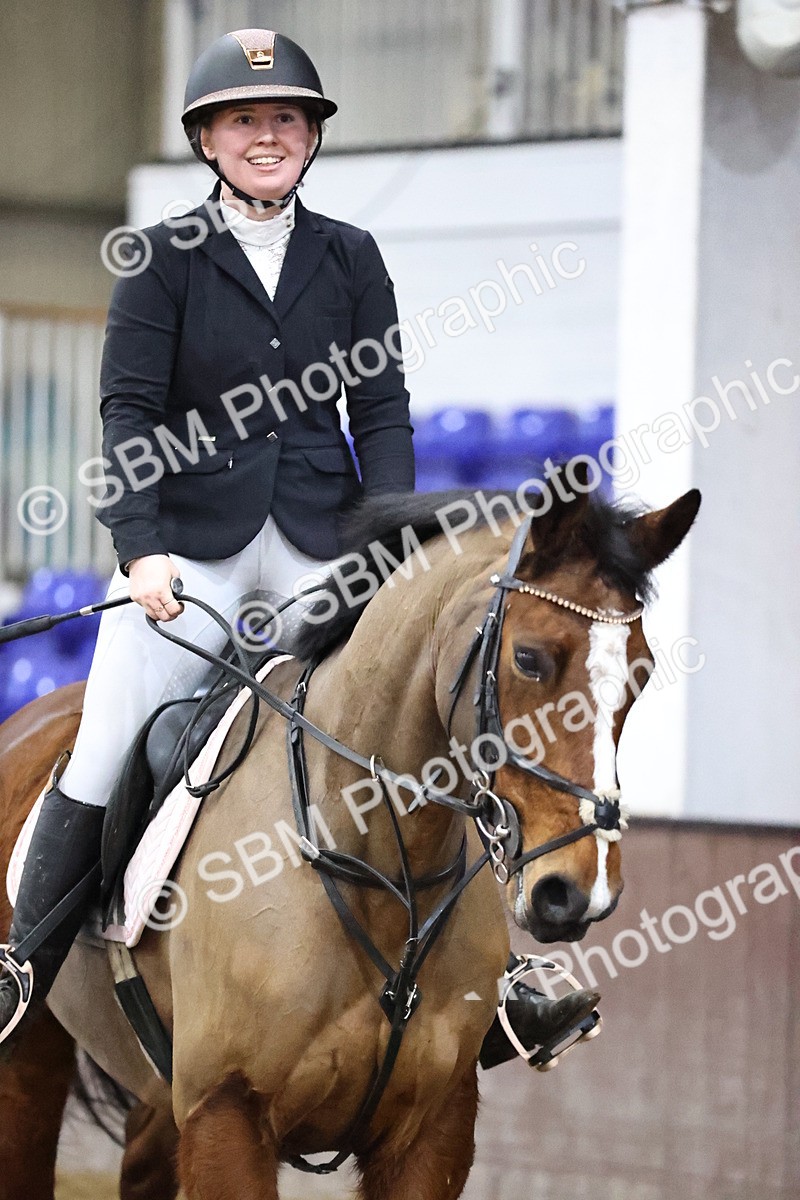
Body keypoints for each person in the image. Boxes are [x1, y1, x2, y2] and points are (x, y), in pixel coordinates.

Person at [0, 29, 596, 1059]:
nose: (267, 135)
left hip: (323, 538)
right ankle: (21, 965)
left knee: (423, 724)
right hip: (191, 550)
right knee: (103, 741)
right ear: (208, 140)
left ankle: (499, 984)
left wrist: (396, 540)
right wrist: (139, 548)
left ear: (311, 135)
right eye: (244, 120)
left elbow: (383, 409)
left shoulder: (350, 255)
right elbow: (130, 414)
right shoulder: (161, 261)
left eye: (285, 118)